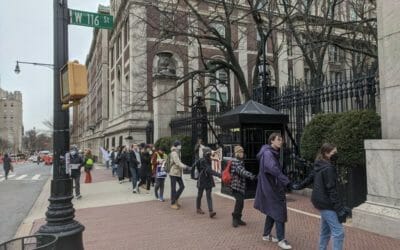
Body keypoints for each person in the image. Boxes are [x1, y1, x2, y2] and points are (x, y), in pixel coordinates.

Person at [254, 133, 292, 250]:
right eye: (278, 140)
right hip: (272, 188)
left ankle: (266, 235)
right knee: (279, 211)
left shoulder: (269, 153)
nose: (281, 141)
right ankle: (281, 240)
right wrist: (286, 181)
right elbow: (273, 169)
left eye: (281, 140)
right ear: (272, 141)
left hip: (269, 187)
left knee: (272, 211)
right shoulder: (268, 153)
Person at [311, 143, 349, 250]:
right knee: (339, 232)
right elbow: (331, 190)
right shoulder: (328, 168)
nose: (336, 154)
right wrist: (339, 209)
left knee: (325, 231)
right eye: (334, 153)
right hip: (327, 204)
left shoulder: (320, 164)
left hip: (320, 201)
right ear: (326, 154)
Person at [230, 145, 256, 227]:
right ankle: (234, 219)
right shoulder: (235, 161)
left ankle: (238, 219)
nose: (242, 153)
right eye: (240, 152)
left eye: (242, 152)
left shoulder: (240, 161)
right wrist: (251, 176)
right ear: (236, 153)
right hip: (235, 186)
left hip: (240, 186)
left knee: (241, 203)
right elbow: (241, 171)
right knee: (239, 201)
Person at [195, 147, 221, 218]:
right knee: (199, 195)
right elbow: (209, 170)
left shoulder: (208, 158)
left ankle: (211, 211)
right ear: (205, 153)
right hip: (202, 179)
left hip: (208, 179)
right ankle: (198, 208)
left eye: (210, 153)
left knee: (208, 196)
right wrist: (219, 175)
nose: (210, 154)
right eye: (208, 153)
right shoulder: (203, 160)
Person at [169, 140, 189, 209]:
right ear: (177, 146)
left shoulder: (178, 152)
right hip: (173, 172)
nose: (181, 146)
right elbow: (177, 163)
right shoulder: (174, 153)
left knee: (182, 186)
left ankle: (175, 199)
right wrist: (186, 167)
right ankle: (173, 203)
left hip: (178, 173)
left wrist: (185, 166)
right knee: (173, 189)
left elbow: (179, 162)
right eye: (180, 145)